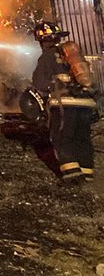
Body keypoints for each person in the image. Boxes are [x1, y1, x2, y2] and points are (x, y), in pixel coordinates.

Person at [30, 21, 96, 182]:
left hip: (64, 105)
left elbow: (39, 83)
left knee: (61, 137)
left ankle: (73, 175)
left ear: (42, 41)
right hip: (86, 103)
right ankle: (87, 172)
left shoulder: (47, 56)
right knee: (82, 137)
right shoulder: (73, 55)